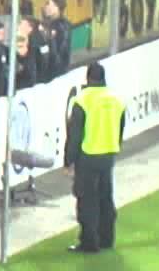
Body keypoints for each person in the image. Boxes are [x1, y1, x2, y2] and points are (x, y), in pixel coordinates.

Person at [65, 62, 125, 254]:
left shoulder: (82, 101)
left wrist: (68, 160)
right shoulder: (116, 100)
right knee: (105, 197)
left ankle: (89, 242)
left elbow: (75, 134)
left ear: (88, 78)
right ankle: (107, 238)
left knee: (87, 199)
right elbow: (120, 127)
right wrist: (115, 146)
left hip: (88, 156)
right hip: (108, 154)